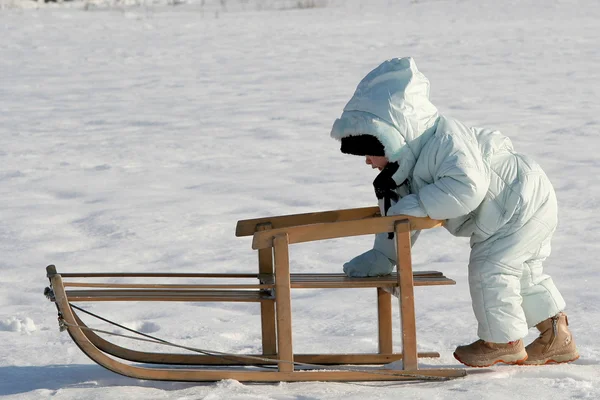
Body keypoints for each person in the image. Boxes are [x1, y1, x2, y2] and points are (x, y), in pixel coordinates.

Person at [330, 57, 579, 367]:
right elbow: (401, 220)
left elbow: (468, 186)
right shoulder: (405, 166)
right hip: (523, 201)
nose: (367, 161)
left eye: (370, 151)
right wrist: (383, 257)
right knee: (523, 272)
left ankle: (502, 341)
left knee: (491, 268)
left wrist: (418, 204)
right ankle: (556, 336)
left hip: (516, 200)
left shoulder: (444, 142)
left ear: (395, 139)